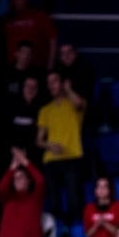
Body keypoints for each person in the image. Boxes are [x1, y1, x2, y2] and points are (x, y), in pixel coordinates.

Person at [36, 70, 86, 227]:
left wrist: (68, 89)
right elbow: (38, 140)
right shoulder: (45, 110)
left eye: (55, 81)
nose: (52, 85)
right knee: (53, 202)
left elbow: (80, 104)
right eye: (49, 82)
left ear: (63, 82)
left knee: (74, 200)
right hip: (52, 160)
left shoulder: (75, 103)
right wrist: (49, 145)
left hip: (72, 157)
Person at [0, 0, 57, 70]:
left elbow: (53, 41)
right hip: (13, 70)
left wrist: (50, 67)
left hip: (37, 68)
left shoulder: (40, 16)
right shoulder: (4, 20)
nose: (13, 2)